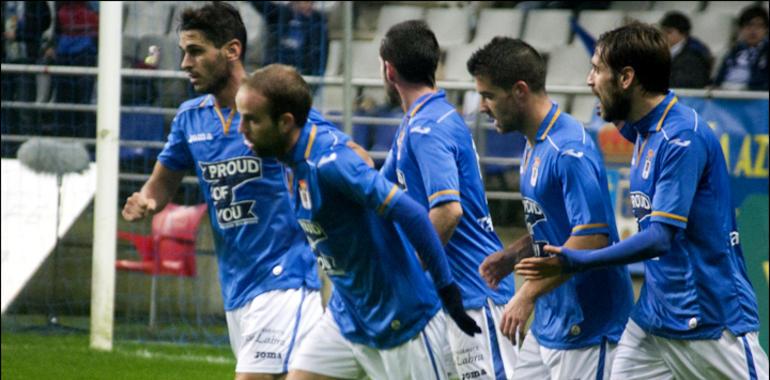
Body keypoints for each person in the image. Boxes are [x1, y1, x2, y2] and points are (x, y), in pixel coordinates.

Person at [515, 22, 769, 379]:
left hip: (709, 315)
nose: (589, 80)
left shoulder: (680, 138)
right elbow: (601, 118)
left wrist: (579, 260)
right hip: (654, 316)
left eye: (596, 70)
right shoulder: (643, 126)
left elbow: (660, 238)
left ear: (626, 78)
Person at [120, 4, 351, 379]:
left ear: (232, 50)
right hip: (237, 286)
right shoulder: (190, 118)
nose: (184, 63)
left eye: (195, 51)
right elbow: (160, 184)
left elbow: (346, 153)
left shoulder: (274, 106)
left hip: (285, 277)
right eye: (183, 52)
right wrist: (147, 200)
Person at [236, 63, 481, 380]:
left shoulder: (331, 165)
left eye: (251, 120)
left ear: (285, 123)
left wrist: (449, 292)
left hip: (402, 320)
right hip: (348, 315)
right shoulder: (294, 146)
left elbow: (414, 214)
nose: (241, 129)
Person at [468, 36, 634, 380]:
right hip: (549, 322)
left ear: (519, 91)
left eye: (488, 96)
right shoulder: (535, 143)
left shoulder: (568, 148)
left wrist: (526, 294)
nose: (482, 106)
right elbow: (556, 226)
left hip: (587, 327)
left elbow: (592, 237)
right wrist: (513, 254)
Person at [378, 20, 517, 380]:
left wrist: (410, 271)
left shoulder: (429, 127)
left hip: (473, 291)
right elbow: (377, 191)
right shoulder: (418, 121)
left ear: (388, 70)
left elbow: (448, 212)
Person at [251, 1, 327, 77]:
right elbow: (260, 4)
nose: (307, 5)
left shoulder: (317, 20)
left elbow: (320, 52)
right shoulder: (280, 13)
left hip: (303, 74)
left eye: (310, 2)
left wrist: (316, 74)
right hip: (275, 72)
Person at [714, 5, 769, 90]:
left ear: (766, 30)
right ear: (741, 29)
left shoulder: (766, 52)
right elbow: (718, 81)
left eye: (759, 26)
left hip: (754, 98)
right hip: (726, 96)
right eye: (748, 25)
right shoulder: (733, 51)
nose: (753, 30)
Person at [659, 11, 713, 88]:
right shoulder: (660, 51)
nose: (663, 35)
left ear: (683, 33)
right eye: (662, 31)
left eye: (668, 32)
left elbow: (685, 82)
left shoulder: (694, 55)